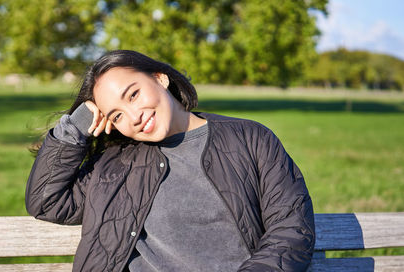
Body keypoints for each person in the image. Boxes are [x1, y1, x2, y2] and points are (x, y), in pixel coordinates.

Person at [25, 50, 315, 271]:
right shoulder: (113, 165)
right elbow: (46, 201)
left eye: (134, 94)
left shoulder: (250, 138)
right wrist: (73, 130)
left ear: (159, 78)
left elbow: (290, 229)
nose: (134, 116)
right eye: (116, 115)